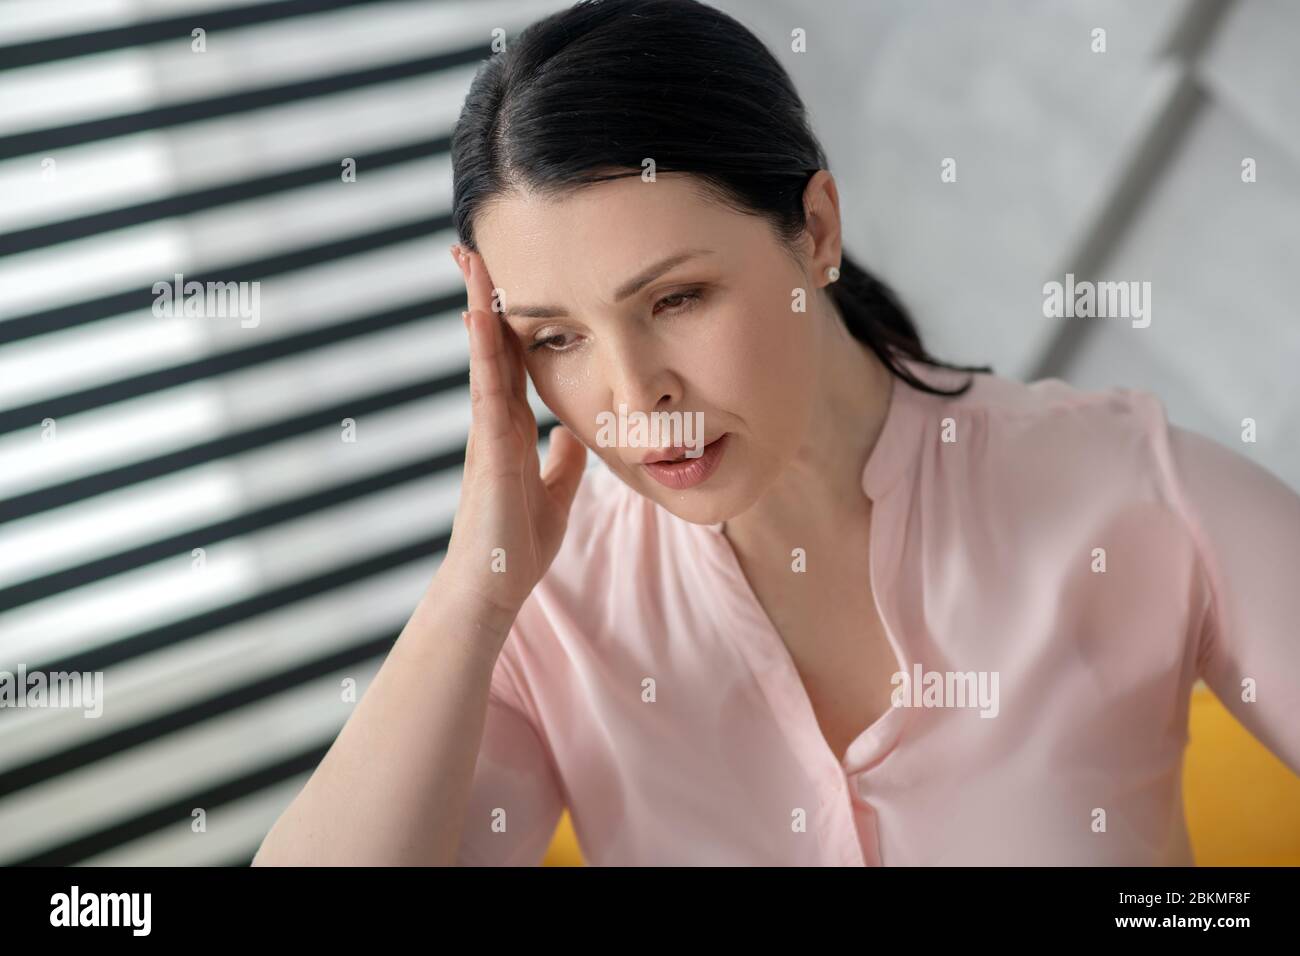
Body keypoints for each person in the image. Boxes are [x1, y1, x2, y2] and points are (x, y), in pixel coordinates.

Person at [252, 0, 1300, 866]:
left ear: (818, 230)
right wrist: (468, 600)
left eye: (675, 299)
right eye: (555, 337)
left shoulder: (1134, 490)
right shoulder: (548, 606)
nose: (632, 397)